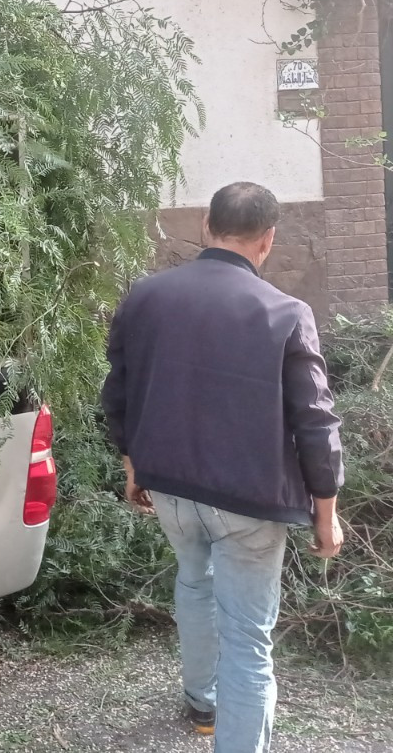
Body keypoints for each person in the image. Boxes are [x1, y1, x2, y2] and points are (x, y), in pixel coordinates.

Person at [101, 182, 344, 753]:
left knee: (193, 579)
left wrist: (134, 467)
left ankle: (201, 700)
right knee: (247, 639)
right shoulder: (286, 312)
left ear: (206, 225)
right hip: (250, 502)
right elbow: (315, 420)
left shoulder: (146, 295)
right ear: (268, 240)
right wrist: (325, 512)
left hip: (171, 489)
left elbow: (120, 392)